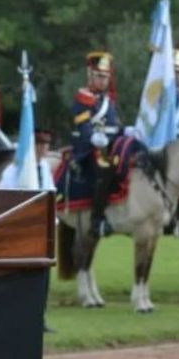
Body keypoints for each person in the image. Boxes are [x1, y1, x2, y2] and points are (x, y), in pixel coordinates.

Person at [70, 51, 122, 238]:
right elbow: (83, 126)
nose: (103, 81)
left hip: (109, 147)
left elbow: (115, 126)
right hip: (87, 149)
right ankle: (96, 219)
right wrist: (93, 138)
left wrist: (127, 131)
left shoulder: (108, 101)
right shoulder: (83, 97)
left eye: (106, 77)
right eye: (100, 76)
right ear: (90, 75)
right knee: (104, 168)